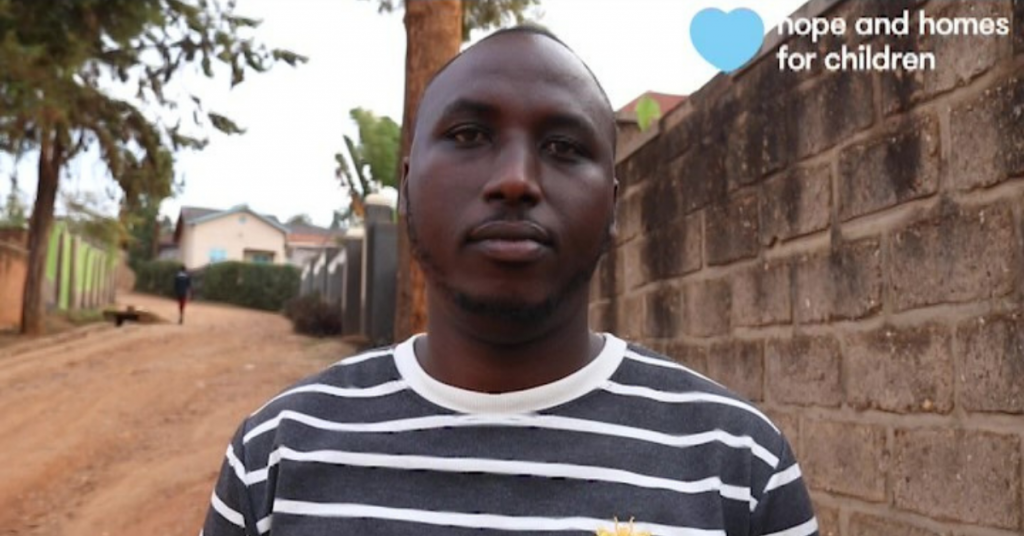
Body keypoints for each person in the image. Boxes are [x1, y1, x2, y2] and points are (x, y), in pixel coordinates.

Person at [201, 26, 819, 536]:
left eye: (562, 146)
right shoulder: (277, 457)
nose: (517, 179)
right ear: (409, 183)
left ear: (612, 202)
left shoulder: (738, 465)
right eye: (469, 136)